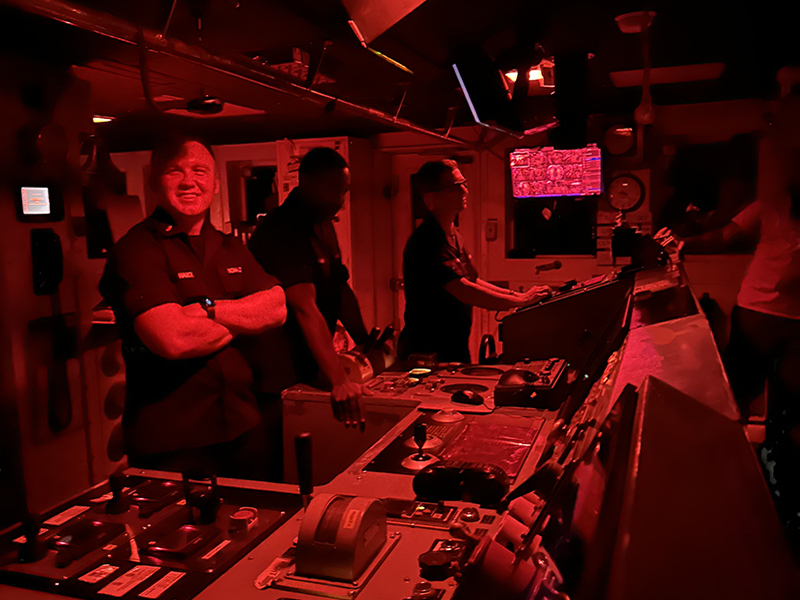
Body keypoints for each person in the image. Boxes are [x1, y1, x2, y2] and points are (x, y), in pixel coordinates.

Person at [656, 92, 800, 551]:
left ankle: (776, 519)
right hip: (759, 313)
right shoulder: (770, 205)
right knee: (734, 410)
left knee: (782, 421)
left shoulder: (775, 195)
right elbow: (725, 233)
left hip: (780, 321)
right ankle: (727, 502)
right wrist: (677, 245)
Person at [99, 134, 288, 479]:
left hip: (243, 426)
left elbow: (276, 308)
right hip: (173, 443)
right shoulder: (137, 250)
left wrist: (207, 310)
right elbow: (173, 339)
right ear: (155, 181)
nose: (189, 181)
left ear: (215, 185)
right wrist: (244, 314)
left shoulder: (228, 246)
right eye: (175, 171)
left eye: (200, 171)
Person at [248, 147, 369, 429]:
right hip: (277, 372)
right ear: (307, 183)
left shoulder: (323, 223)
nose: (341, 201)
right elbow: (304, 307)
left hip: (308, 364)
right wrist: (339, 381)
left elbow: (339, 286)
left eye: (345, 191)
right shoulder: (280, 229)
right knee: (288, 455)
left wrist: (365, 342)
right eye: (335, 191)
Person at [398, 159, 551, 363]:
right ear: (431, 199)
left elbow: (472, 280)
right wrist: (520, 301)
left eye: (464, 184)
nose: (464, 191)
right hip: (427, 352)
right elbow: (464, 290)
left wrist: (519, 296)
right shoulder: (426, 242)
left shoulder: (453, 235)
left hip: (454, 346)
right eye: (455, 187)